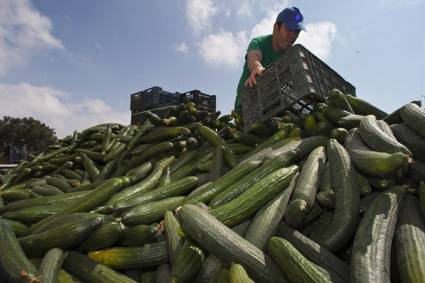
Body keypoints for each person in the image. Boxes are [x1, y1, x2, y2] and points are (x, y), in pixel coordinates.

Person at [234, 7, 305, 114]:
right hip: (245, 107)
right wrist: (257, 68)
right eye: (289, 30)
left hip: (272, 107)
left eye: (297, 31)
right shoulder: (259, 42)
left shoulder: (291, 55)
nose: (293, 36)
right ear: (276, 27)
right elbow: (253, 58)